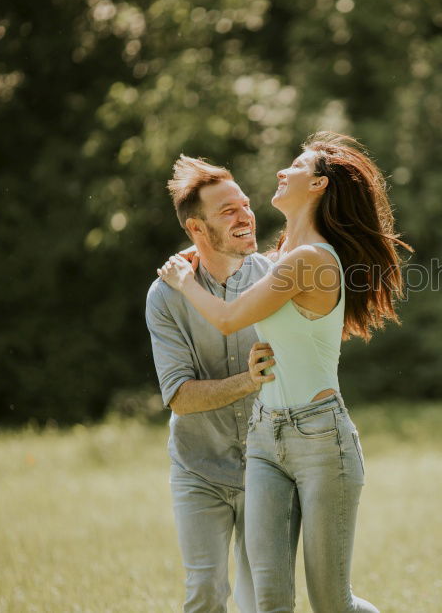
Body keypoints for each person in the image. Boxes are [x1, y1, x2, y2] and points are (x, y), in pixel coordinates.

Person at [157, 131, 411, 613]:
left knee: (331, 603)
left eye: (295, 165)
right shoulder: (278, 262)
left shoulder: (310, 262)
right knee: (271, 602)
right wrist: (202, 256)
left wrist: (184, 280)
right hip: (265, 439)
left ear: (317, 185)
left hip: (321, 440)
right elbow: (239, 273)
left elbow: (230, 317)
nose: (281, 171)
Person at [145, 155, 271, 613]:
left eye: (245, 204)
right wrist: (248, 381)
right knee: (205, 595)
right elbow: (179, 397)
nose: (245, 215)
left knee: (263, 600)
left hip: (268, 468)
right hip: (198, 469)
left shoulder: (276, 277)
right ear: (197, 229)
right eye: (228, 211)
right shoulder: (165, 296)